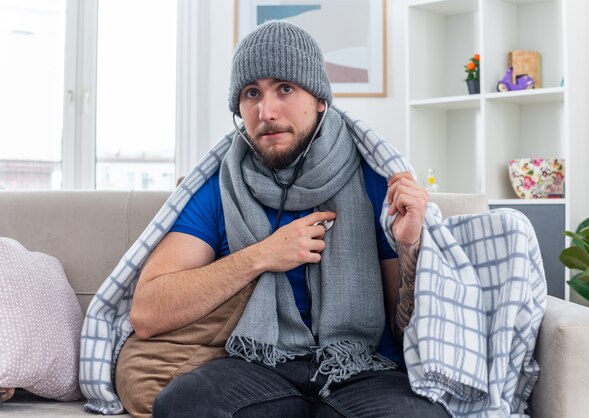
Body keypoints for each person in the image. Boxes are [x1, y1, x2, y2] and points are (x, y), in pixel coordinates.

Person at [129, 21, 449, 417]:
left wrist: (410, 247)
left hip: (365, 366)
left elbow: (406, 330)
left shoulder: (372, 178)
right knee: (183, 404)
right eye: (251, 94)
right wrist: (262, 255)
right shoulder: (220, 187)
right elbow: (147, 311)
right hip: (260, 364)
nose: (267, 111)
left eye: (285, 88)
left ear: (318, 99)